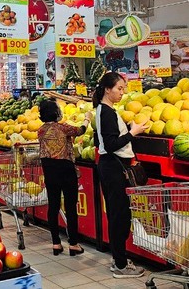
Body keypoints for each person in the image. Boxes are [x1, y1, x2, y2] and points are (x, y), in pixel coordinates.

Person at [93, 72, 146, 278]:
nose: (122, 93)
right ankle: (121, 265)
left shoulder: (103, 110)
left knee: (118, 214)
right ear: (108, 89)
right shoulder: (106, 112)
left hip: (109, 166)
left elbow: (100, 143)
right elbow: (110, 144)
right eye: (119, 89)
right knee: (119, 216)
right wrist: (133, 132)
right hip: (114, 168)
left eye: (123, 89)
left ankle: (119, 259)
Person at [37, 98, 89, 256]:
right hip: (65, 169)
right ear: (56, 113)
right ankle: (73, 244)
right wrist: (87, 119)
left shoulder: (41, 130)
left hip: (49, 170)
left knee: (53, 206)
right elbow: (80, 130)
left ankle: (56, 243)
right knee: (71, 206)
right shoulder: (63, 128)